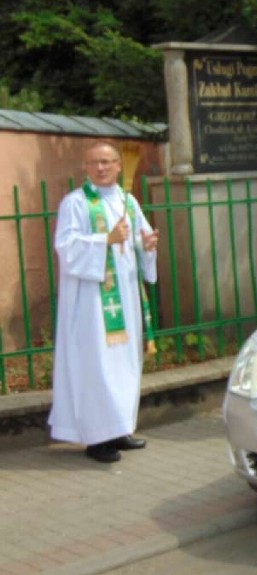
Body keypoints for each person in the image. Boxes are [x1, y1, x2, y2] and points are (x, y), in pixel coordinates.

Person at [49, 141, 159, 463]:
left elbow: (139, 241)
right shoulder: (76, 203)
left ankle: (120, 428)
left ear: (118, 165)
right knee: (98, 365)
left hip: (124, 297)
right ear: (86, 166)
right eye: (95, 162)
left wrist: (147, 243)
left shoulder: (128, 200)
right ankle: (97, 440)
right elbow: (66, 247)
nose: (101, 168)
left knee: (124, 363)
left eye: (108, 162)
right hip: (92, 303)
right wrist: (104, 241)